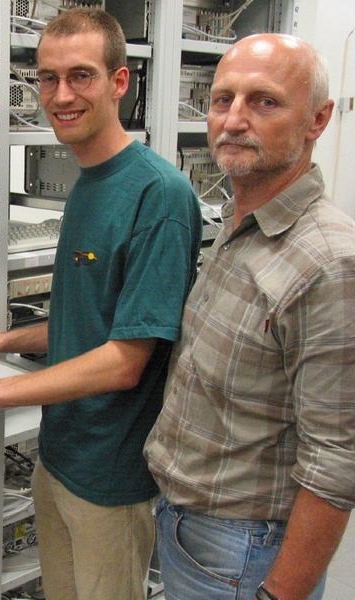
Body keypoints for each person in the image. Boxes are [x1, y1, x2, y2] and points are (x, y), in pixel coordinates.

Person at [0, 8, 202, 600]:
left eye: (80, 75)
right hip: (59, 456)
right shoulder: (89, 182)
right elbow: (88, 321)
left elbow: (124, 359)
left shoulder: (159, 194)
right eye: (47, 78)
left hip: (110, 477)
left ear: (119, 82)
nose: (61, 95)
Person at [144, 33, 355, 600]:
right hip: (193, 530)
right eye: (221, 100)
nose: (233, 120)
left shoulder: (329, 264)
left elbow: (336, 464)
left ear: (318, 119)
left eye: (264, 102)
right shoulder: (242, 226)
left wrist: (276, 594)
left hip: (245, 554)